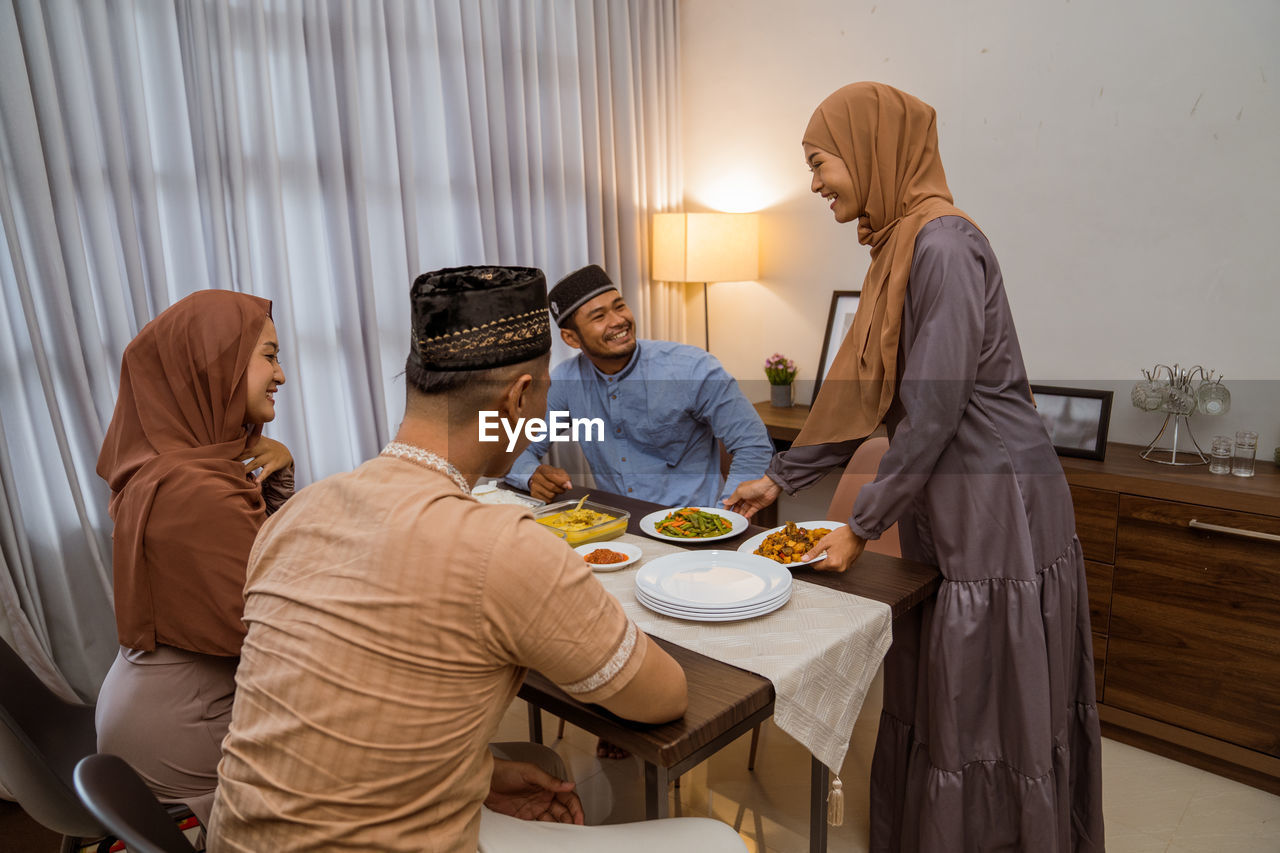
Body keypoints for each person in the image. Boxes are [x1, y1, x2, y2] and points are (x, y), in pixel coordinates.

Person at [208, 266, 746, 853]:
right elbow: (665, 699)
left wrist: (478, 772)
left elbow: (339, 716)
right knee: (718, 838)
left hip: (237, 838)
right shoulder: (506, 545)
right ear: (518, 397)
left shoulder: (294, 515)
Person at [726, 83, 1105, 851]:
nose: (814, 181)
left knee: (983, 686)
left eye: (818, 161)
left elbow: (933, 410)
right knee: (949, 681)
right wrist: (781, 477)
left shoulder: (943, 245)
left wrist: (860, 525)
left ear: (868, 149)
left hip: (998, 498)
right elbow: (863, 394)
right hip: (947, 492)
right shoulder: (896, 244)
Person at [95, 290, 293, 827]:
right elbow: (282, 621)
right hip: (188, 732)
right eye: (270, 356)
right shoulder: (196, 491)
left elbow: (270, 568)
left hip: (154, 707)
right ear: (217, 369)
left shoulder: (175, 466)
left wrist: (278, 480)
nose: (281, 376)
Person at [505, 263, 772, 506]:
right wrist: (531, 475)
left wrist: (725, 513)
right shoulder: (565, 381)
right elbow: (515, 446)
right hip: (620, 530)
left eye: (619, 306)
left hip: (695, 531)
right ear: (571, 338)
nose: (618, 320)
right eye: (599, 317)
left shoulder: (692, 368)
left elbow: (753, 444)